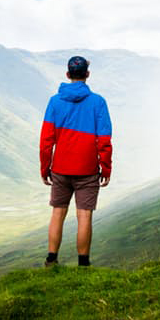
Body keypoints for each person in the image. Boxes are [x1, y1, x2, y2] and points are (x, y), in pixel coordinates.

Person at [39, 55, 112, 267]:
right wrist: (106, 168)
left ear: (68, 75)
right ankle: (83, 264)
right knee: (84, 216)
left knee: (58, 213)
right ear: (87, 75)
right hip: (88, 170)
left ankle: (51, 260)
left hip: (60, 169)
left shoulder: (54, 102)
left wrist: (45, 168)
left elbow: (46, 141)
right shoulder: (98, 103)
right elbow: (104, 140)